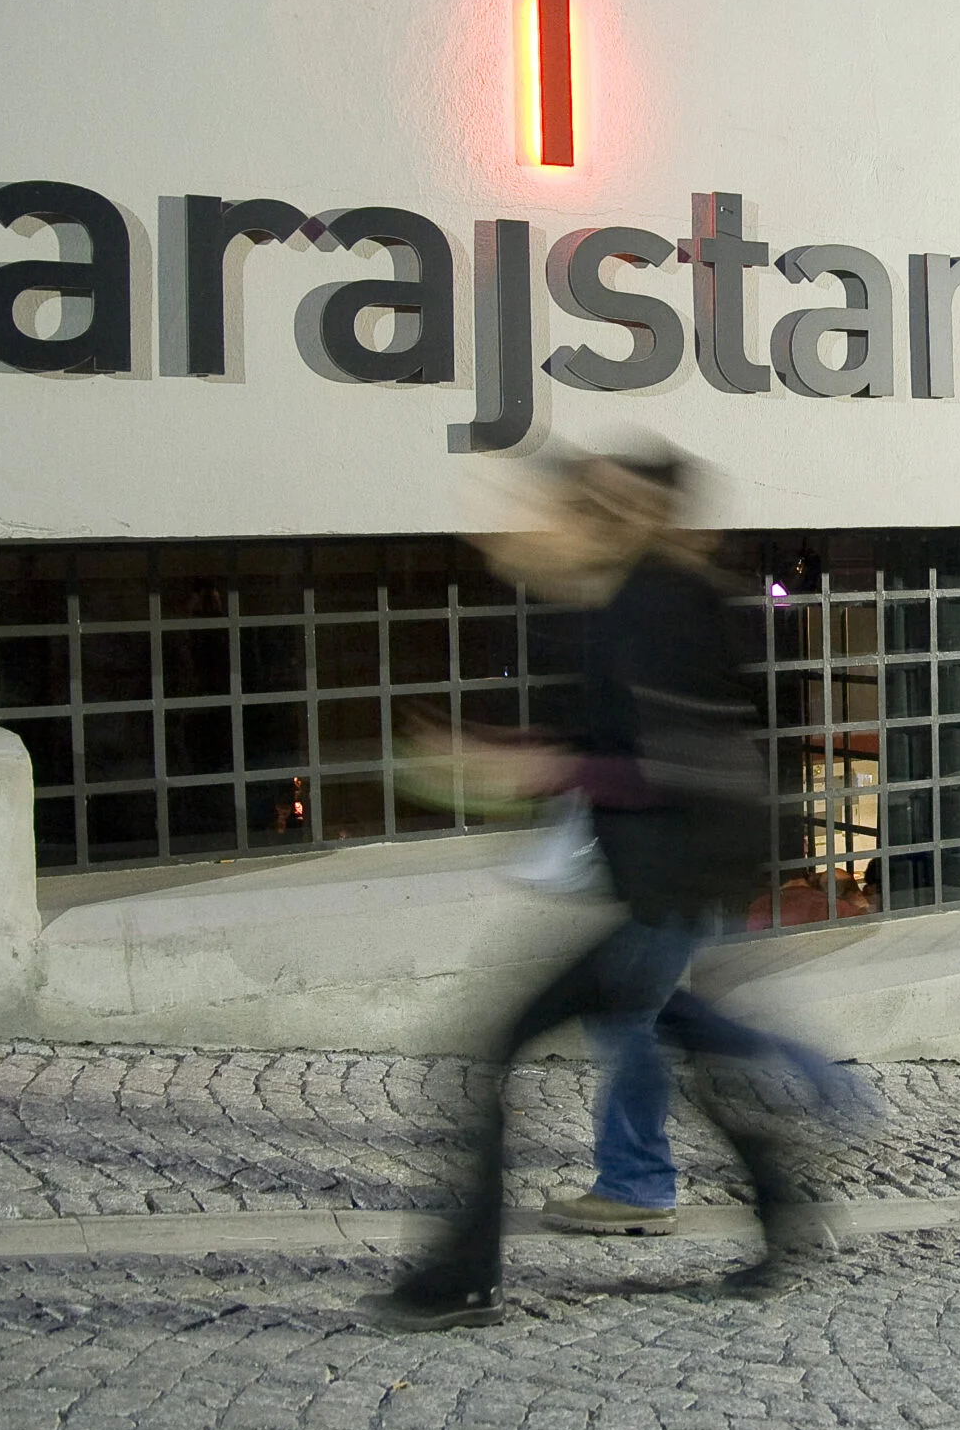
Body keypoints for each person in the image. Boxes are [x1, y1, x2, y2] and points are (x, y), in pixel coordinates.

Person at [366, 448, 855, 1331]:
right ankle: (790, 1213)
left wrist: (536, 764)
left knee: (495, 1050)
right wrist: (526, 756)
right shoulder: (615, 603)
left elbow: (678, 758)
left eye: (580, 507)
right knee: (691, 1047)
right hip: (667, 882)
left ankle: (460, 1279)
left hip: (676, 884)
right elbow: (626, 738)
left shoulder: (660, 604)